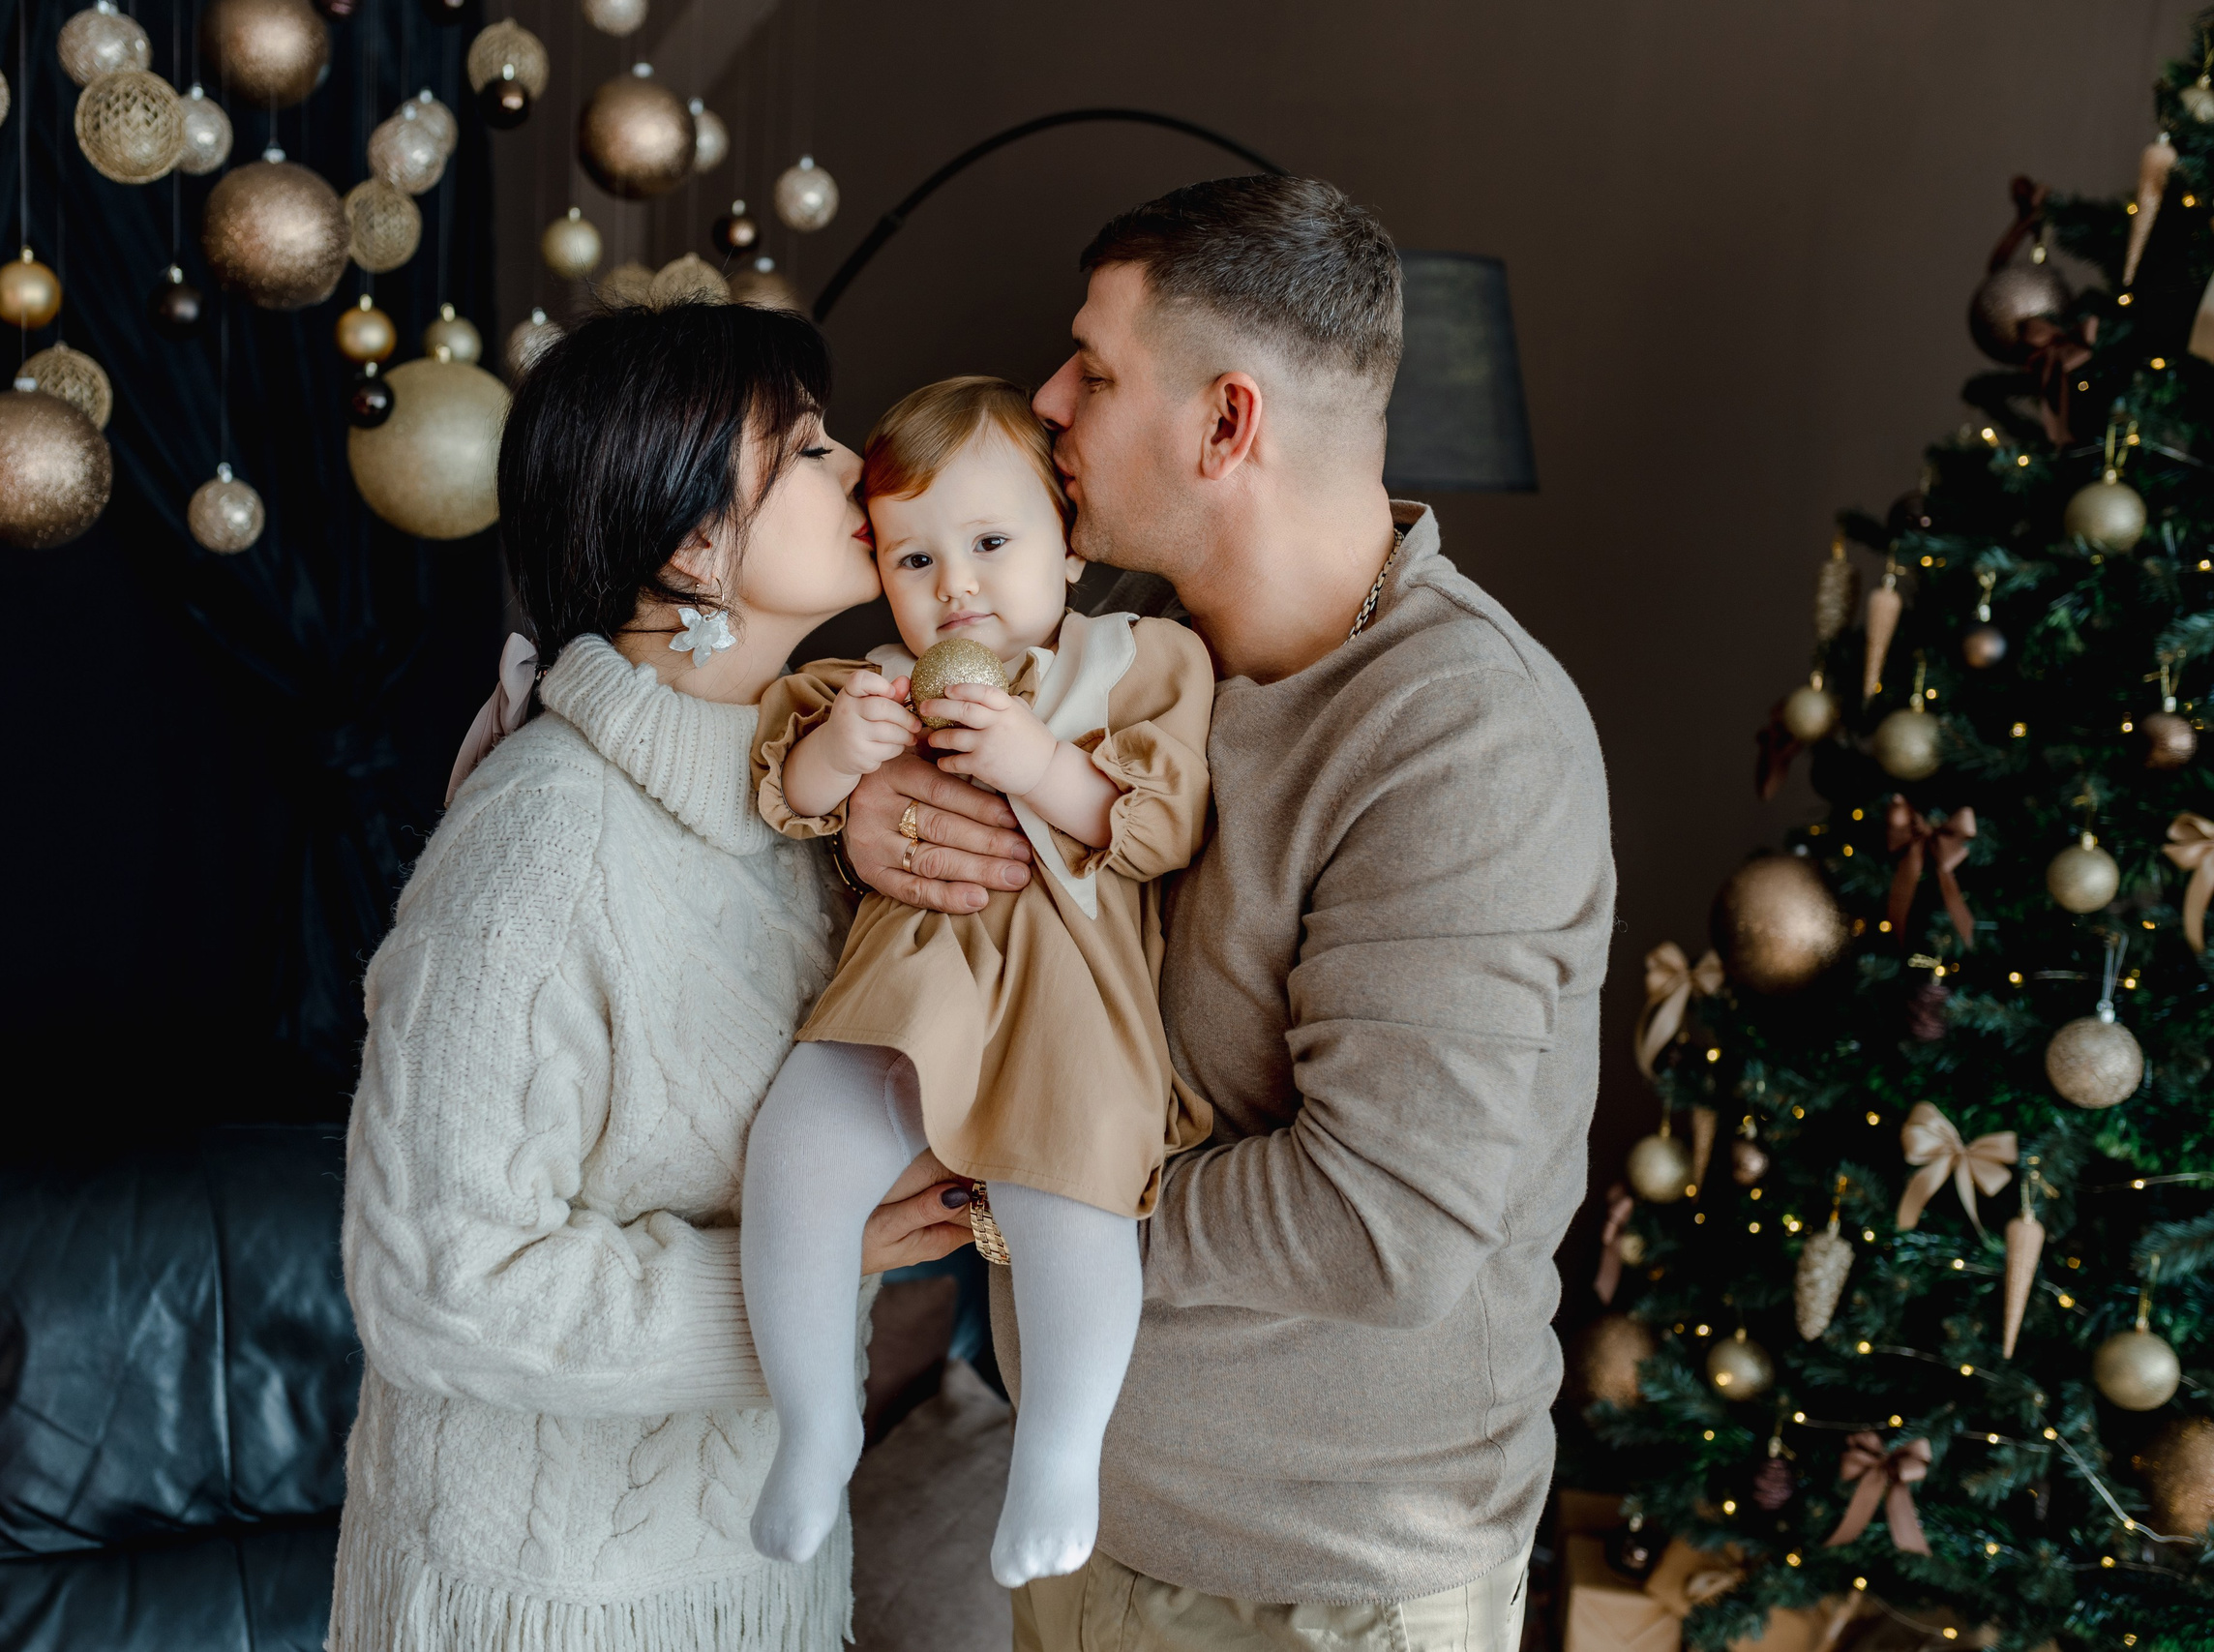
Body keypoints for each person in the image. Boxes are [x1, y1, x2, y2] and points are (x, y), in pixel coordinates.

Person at [839, 176, 1616, 1652]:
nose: (1049, 397)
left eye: (1097, 366)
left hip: (1319, 1587)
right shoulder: (1126, 666)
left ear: (1226, 424)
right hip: (1097, 1534)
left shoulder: (1461, 740)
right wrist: (871, 826)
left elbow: (1377, 1225)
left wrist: (998, 1197)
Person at [329, 301, 972, 1652]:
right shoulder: (539, 842)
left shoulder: (804, 815)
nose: (856, 464)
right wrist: (816, 1261)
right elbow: (438, 1282)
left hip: (765, 1579)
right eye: (803, 449)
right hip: (546, 1602)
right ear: (690, 543)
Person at [738, 376, 1213, 1587]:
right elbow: (791, 789)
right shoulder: (879, 682)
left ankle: (1059, 1449)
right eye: (912, 558)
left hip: (1067, 1009)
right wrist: (846, 752)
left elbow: (1157, 828)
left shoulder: (1135, 660)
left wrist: (1041, 763)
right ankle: (813, 1422)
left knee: (1076, 1200)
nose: (955, 588)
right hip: (908, 997)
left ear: (1066, 545)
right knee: (795, 1152)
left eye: (992, 544)